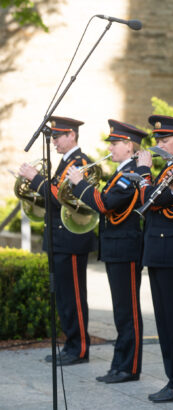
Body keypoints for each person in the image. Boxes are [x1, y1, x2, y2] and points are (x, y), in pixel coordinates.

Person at [66, 119, 146, 383]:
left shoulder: (131, 174)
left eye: (115, 143)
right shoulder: (120, 173)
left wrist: (79, 184)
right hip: (116, 249)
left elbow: (105, 204)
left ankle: (129, 367)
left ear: (129, 146)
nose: (110, 148)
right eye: (111, 143)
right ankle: (119, 364)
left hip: (126, 249)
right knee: (121, 311)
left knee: (128, 311)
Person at [18, 116, 96, 366]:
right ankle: (70, 344)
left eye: (57, 137)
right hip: (59, 237)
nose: (53, 142)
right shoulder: (64, 162)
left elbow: (61, 196)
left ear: (71, 135)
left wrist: (35, 178)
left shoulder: (80, 162)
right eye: (52, 137)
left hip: (72, 239)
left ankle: (80, 348)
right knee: (63, 297)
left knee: (73, 296)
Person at [135, 115, 173, 402]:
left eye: (165, 140)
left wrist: (144, 173)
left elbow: (153, 200)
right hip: (159, 253)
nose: (160, 145)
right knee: (164, 322)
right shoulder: (167, 169)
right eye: (158, 140)